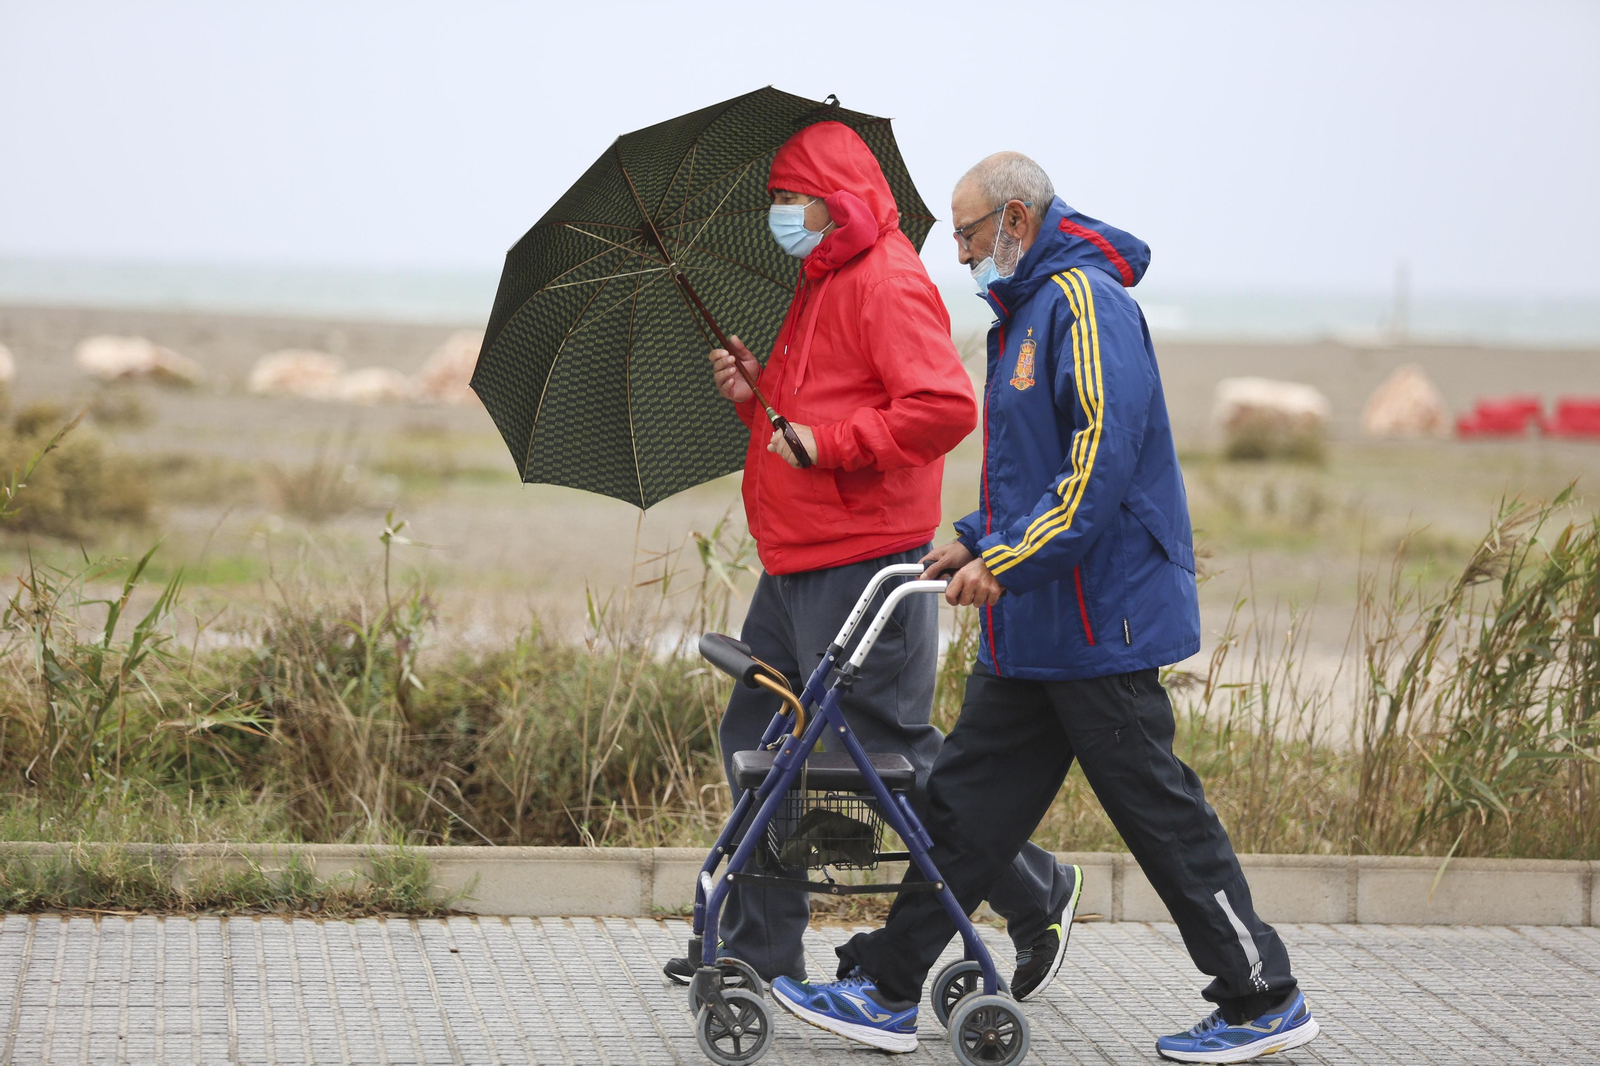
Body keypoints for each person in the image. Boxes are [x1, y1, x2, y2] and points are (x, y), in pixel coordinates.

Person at [769, 153, 1319, 1064]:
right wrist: (981, 536)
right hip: (1036, 627)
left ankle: (1264, 996)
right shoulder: (1023, 315)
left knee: (1162, 815)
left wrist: (1007, 559)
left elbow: (1097, 466)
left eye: (968, 233)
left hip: (1100, 625)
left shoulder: (1087, 305)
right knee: (961, 809)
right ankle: (884, 987)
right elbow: (1034, 476)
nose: (960, 253)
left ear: (1016, 219)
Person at [663, 123, 1083, 1002]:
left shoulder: (887, 279)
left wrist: (828, 441)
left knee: (884, 756)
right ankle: (761, 957)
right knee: (761, 744)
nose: (779, 214)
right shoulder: (819, 283)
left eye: (791, 198)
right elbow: (802, 431)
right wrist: (756, 396)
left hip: (862, 561)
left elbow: (938, 410)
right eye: (774, 199)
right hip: (795, 564)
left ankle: (1034, 887)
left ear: (835, 199)